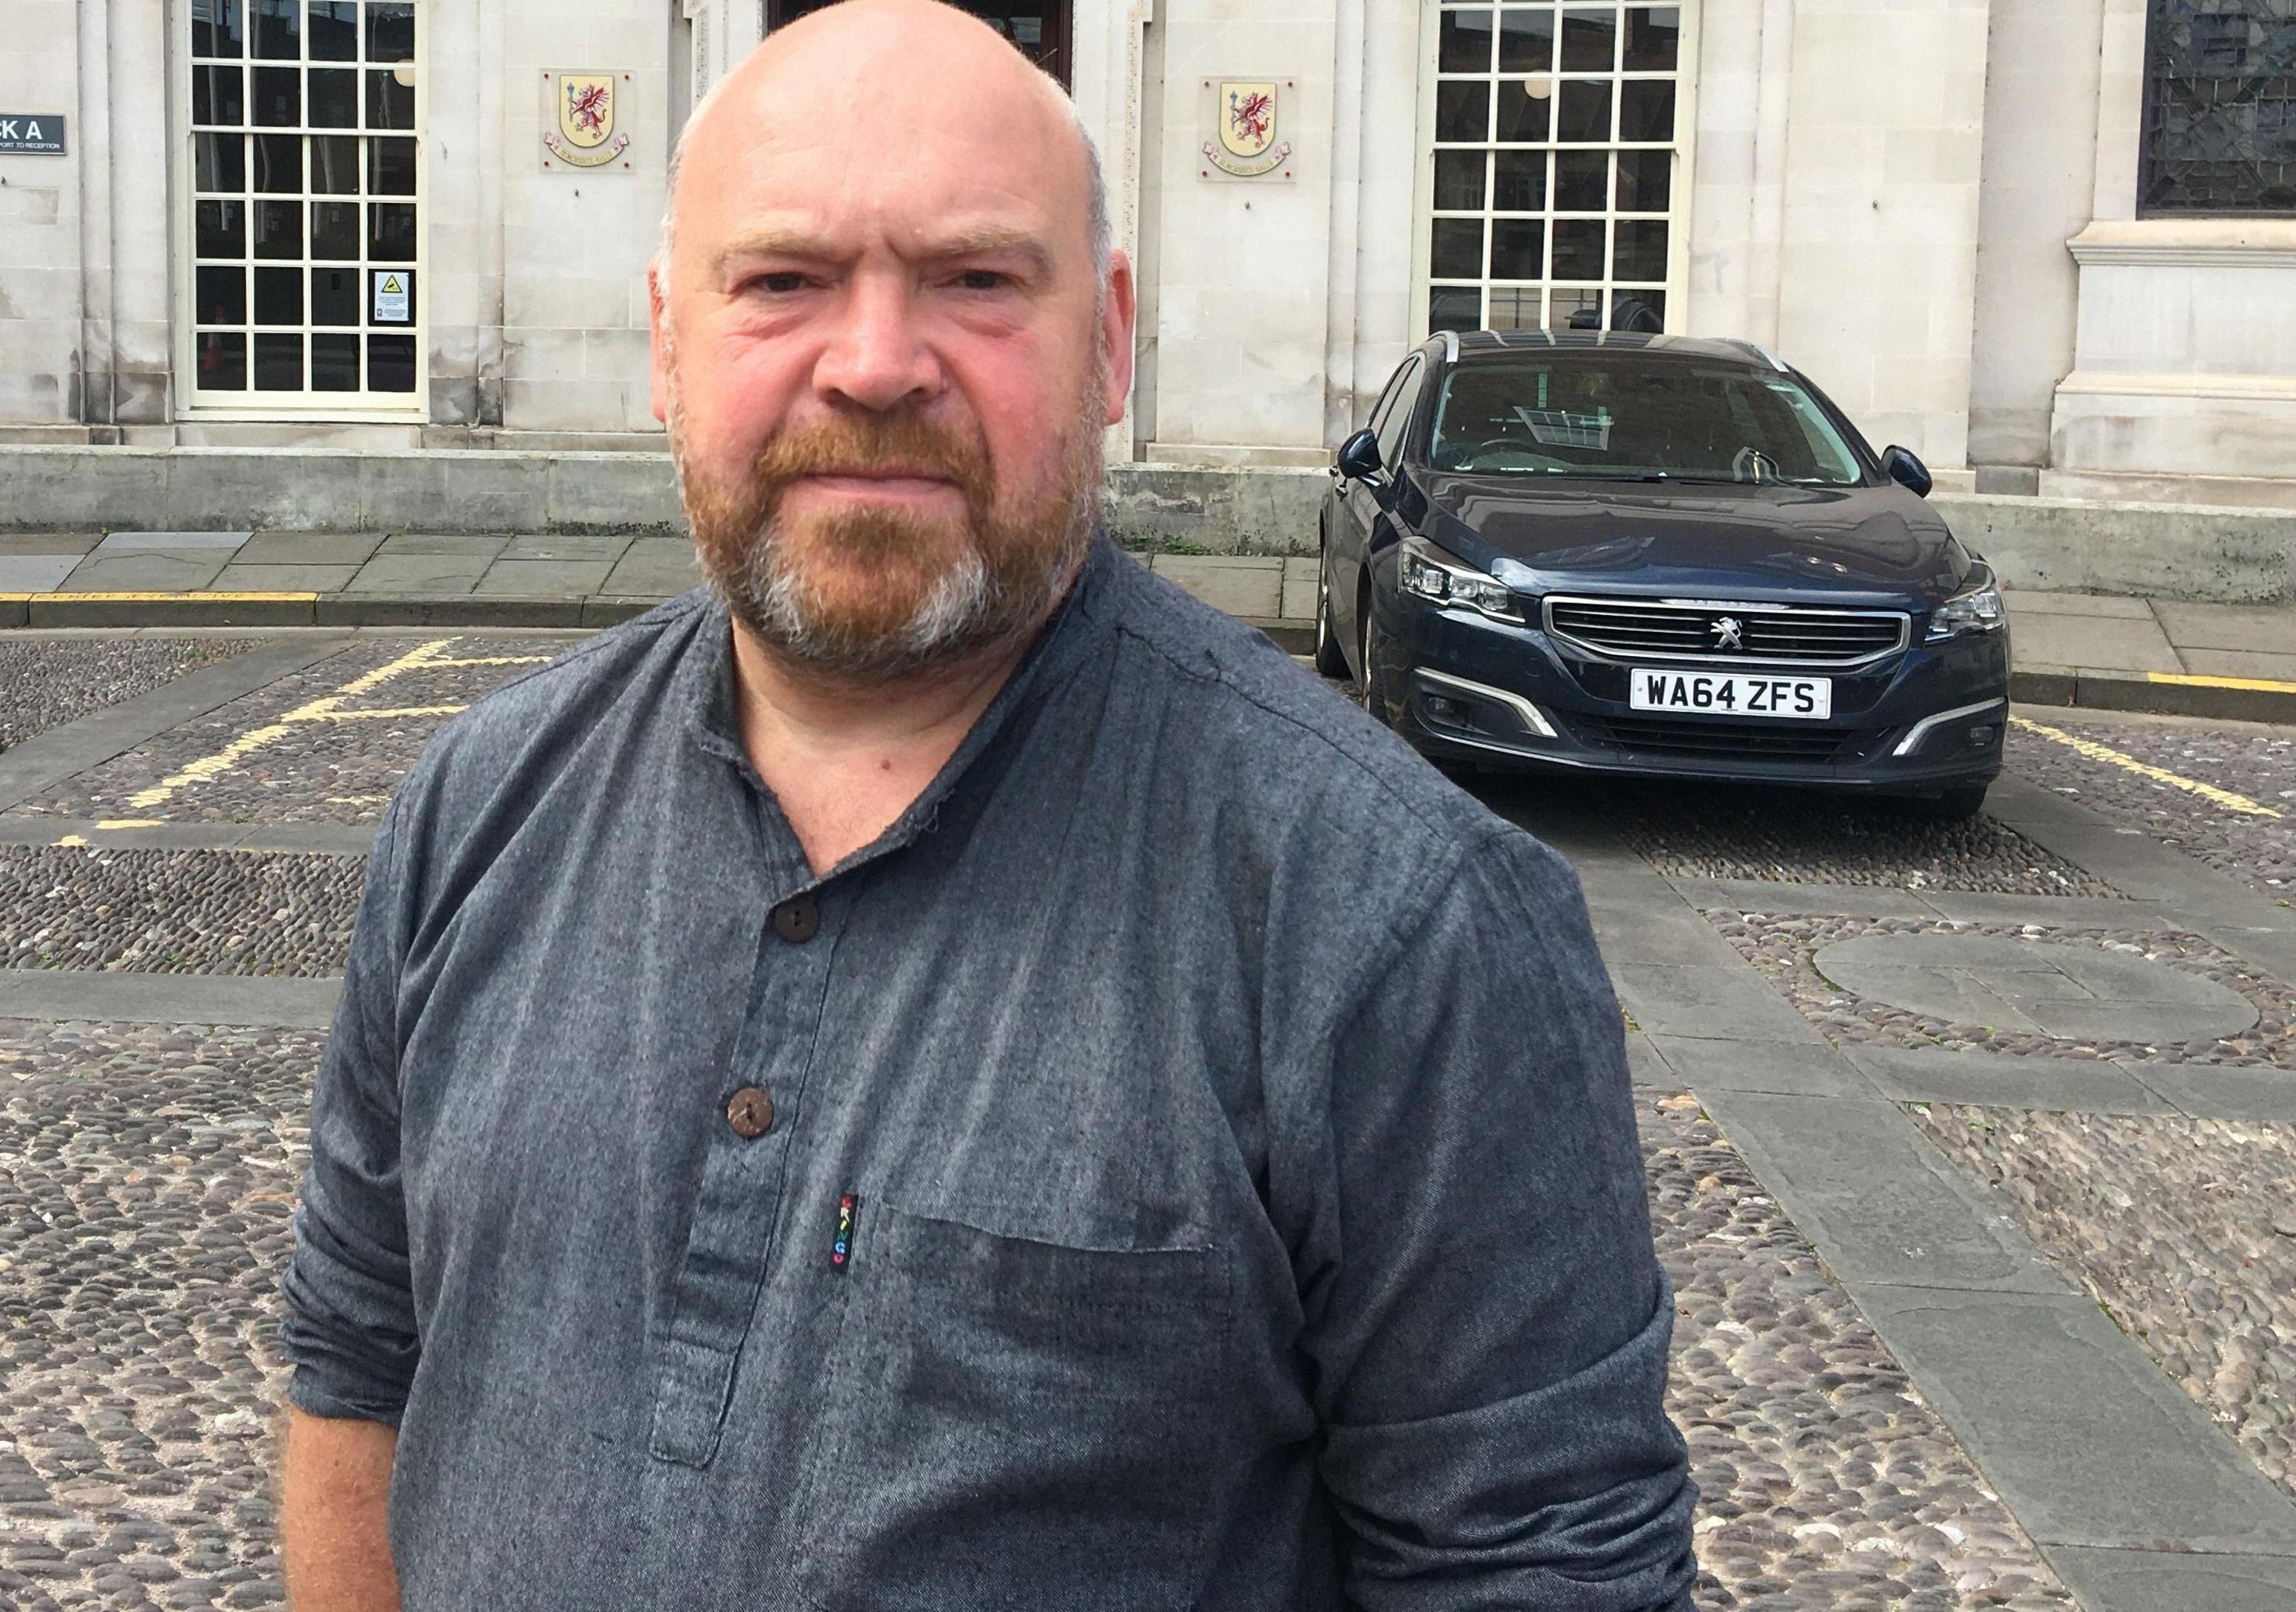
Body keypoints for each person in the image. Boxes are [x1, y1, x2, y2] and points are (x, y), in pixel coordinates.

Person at [276, 1, 1698, 1607]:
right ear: (668, 344)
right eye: (784, 281)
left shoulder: (1400, 919)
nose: (875, 365)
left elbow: (1536, 1565)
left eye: (973, 280)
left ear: (1109, 341)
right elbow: (360, 1368)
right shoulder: (476, 804)